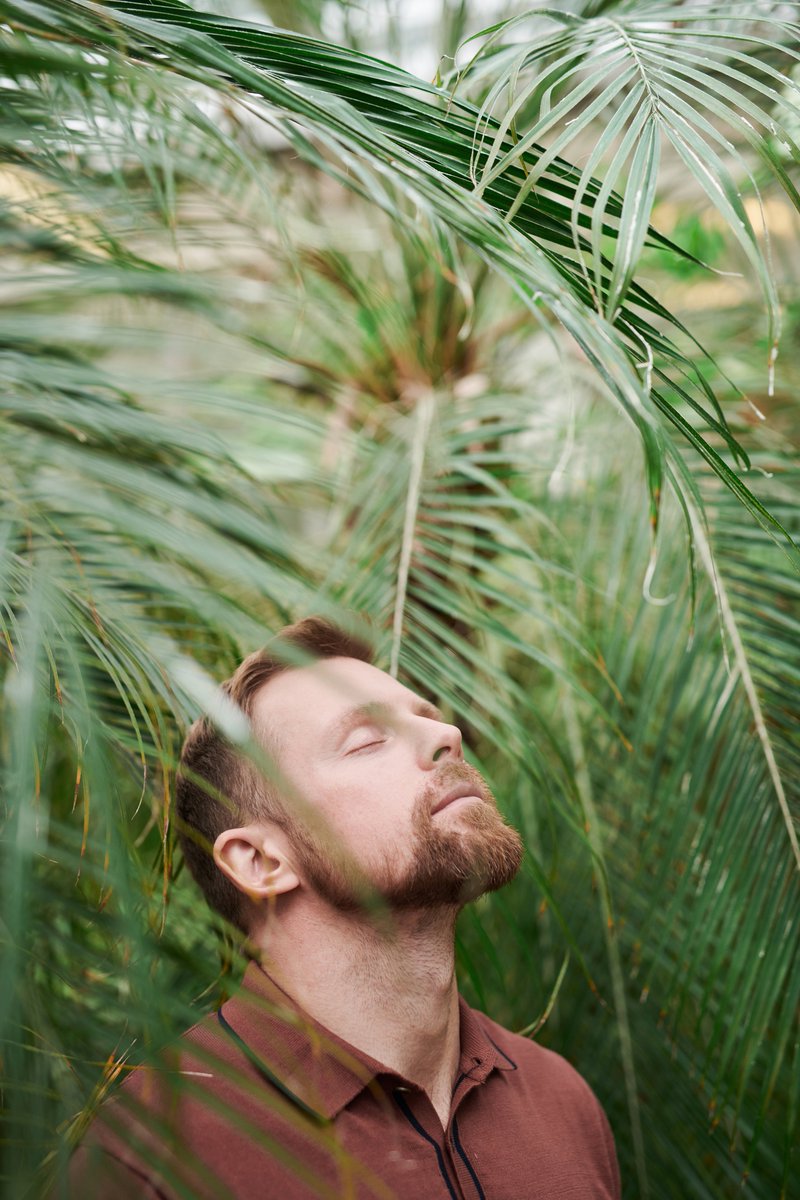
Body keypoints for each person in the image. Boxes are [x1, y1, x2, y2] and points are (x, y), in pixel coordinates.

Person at [69, 617, 621, 1199]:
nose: (448, 735)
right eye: (367, 740)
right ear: (260, 860)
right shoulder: (151, 1157)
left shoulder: (562, 1103)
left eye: (429, 717)